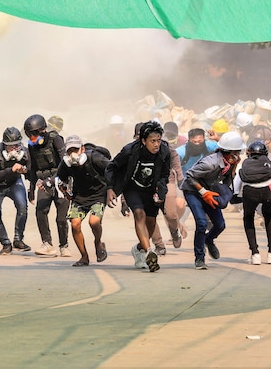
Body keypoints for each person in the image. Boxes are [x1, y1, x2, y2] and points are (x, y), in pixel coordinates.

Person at [104, 120, 170, 273]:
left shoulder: (164, 152)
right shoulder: (130, 150)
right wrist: (110, 188)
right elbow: (112, 167)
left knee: (151, 223)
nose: (156, 144)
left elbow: (165, 175)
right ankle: (148, 252)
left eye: (158, 140)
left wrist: (160, 191)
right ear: (143, 140)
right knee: (139, 214)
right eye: (152, 141)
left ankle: (139, 248)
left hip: (151, 189)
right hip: (132, 188)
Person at [181, 131, 244, 270]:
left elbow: (227, 179)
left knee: (220, 224)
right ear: (228, 152)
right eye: (236, 153)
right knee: (202, 223)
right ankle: (199, 258)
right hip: (193, 191)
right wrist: (203, 192)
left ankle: (209, 240)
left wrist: (233, 167)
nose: (238, 156)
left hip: (210, 190)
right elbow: (189, 176)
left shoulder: (229, 163)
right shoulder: (210, 163)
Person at [57, 135, 109, 267]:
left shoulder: (95, 158)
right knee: (75, 224)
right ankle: (84, 256)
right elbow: (60, 178)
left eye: (76, 149)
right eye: (70, 151)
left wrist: (112, 190)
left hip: (98, 195)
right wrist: (64, 190)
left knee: (94, 221)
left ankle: (98, 242)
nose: (73, 153)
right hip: (79, 197)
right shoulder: (65, 164)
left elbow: (112, 170)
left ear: (82, 149)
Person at [24, 113, 70, 257]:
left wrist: (53, 180)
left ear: (42, 130)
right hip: (43, 183)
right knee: (41, 212)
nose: (32, 137)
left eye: (33, 134)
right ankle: (47, 244)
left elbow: (65, 163)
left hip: (61, 182)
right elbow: (32, 167)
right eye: (29, 134)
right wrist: (31, 189)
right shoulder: (32, 146)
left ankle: (64, 245)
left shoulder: (55, 139)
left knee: (61, 218)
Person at [235, 141, 271, 265]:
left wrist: (235, 195)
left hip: (250, 192)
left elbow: (237, 181)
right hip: (269, 191)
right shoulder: (268, 163)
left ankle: (255, 254)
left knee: (248, 217)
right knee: (268, 216)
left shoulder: (244, 163)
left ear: (249, 153)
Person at [0, 127, 31, 255]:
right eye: (10, 146)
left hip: (14, 182)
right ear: (4, 144)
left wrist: (25, 170)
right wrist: (10, 170)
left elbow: (31, 170)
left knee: (22, 207)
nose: (13, 149)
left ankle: (18, 239)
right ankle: (5, 243)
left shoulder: (25, 152)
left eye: (16, 145)